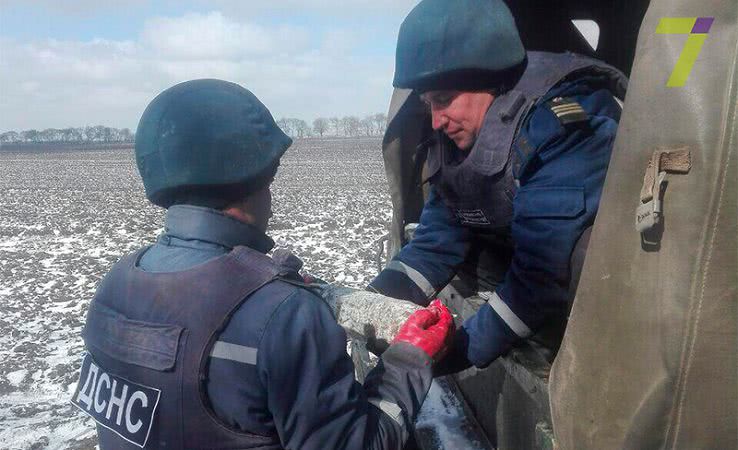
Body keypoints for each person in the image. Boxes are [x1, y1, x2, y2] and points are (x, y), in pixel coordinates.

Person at [71, 79, 454, 449]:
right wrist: (409, 358)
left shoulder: (115, 284)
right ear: (256, 175)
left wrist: (270, 284)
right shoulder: (284, 316)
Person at [368, 0, 627, 372]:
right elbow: (438, 237)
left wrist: (457, 352)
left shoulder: (558, 126)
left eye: (443, 100)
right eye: (428, 104)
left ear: (489, 77)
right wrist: (373, 303)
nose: (436, 121)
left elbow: (539, 276)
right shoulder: (463, 131)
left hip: (595, 296)